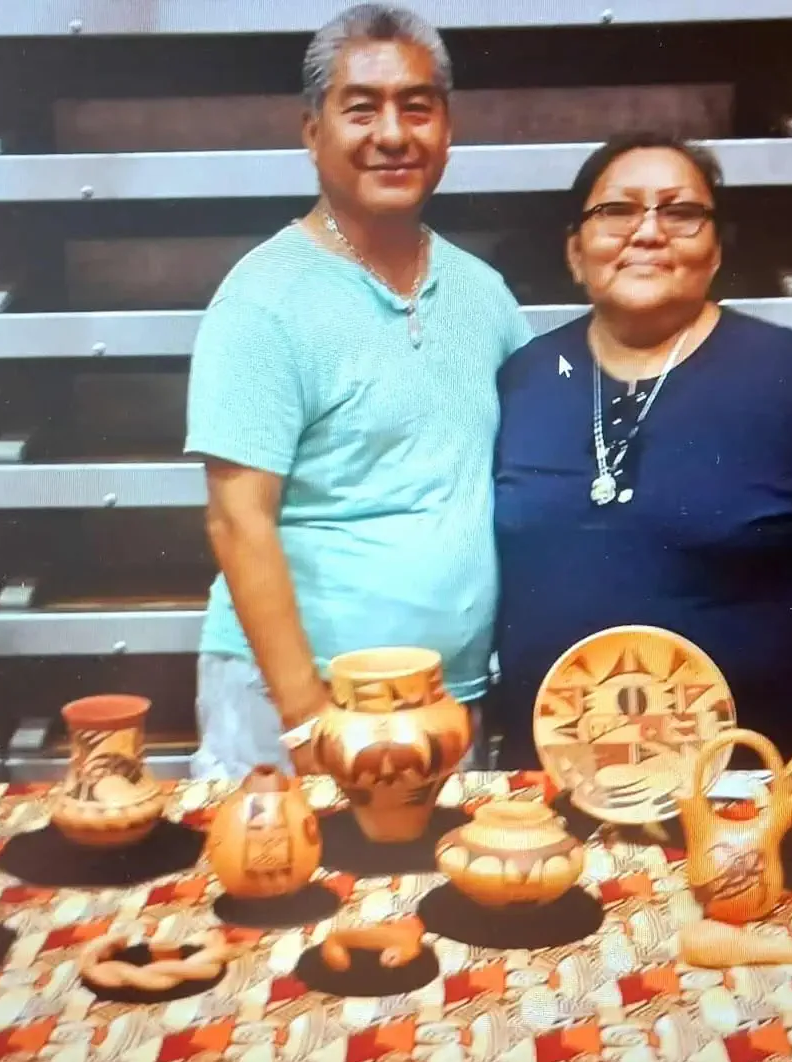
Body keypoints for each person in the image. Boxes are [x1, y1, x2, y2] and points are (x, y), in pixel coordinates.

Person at [184, 4, 532, 780]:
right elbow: (238, 521)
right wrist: (309, 721)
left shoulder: (485, 296)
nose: (393, 134)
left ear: (448, 128)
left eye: (417, 106)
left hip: (446, 700)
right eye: (361, 108)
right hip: (298, 705)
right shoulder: (263, 301)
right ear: (312, 132)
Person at [493, 132, 792, 768]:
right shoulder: (524, 377)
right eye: (617, 211)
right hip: (545, 791)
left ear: (715, 253)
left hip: (746, 792)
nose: (649, 232)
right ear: (576, 252)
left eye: (680, 212)